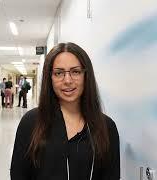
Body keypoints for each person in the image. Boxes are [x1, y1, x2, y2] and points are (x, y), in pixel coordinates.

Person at [10, 42, 120, 180]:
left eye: (75, 72)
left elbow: (111, 175)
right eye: (59, 73)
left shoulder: (106, 126)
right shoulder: (31, 122)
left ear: (86, 76)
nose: (67, 80)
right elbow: (18, 174)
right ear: (49, 78)